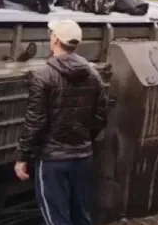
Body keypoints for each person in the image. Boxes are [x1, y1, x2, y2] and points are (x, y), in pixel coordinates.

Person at [15, 19, 107, 225]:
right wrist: (83, 138)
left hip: (52, 160)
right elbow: (101, 116)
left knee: (56, 218)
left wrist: (23, 157)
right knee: (80, 215)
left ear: (55, 39)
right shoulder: (94, 75)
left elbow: (35, 122)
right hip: (83, 157)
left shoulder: (43, 76)